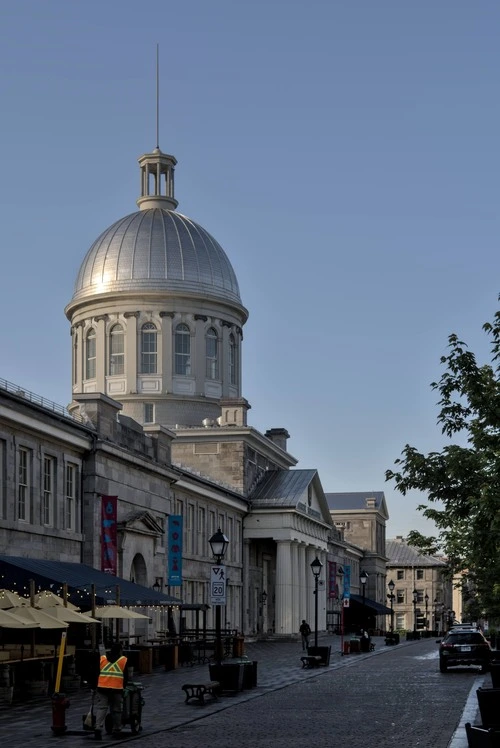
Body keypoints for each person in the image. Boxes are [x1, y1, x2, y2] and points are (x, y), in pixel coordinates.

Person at [93, 642, 128, 740]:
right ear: (120, 650)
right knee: (117, 710)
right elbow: (126, 677)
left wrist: (95, 686)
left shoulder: (103, 659)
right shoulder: (123, 660)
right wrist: (123, 687)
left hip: (102, 688)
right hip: (117, 689)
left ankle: (98, 729)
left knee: (102, 708)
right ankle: (117, 730)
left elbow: (96, 673)